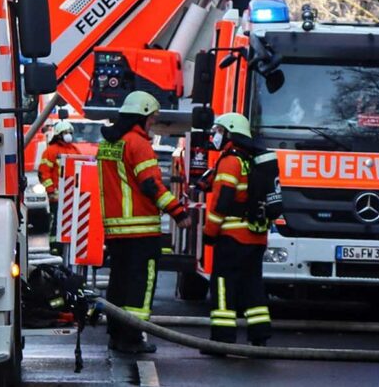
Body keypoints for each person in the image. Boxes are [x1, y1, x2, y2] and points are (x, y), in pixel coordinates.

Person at [97, 91, 191, 354]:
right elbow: (151, 185)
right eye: (151, 118)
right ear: (142, 116)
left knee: (118, 284)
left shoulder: (109, 144)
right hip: (141, 230)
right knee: (140, 286)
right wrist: (178, 212)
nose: (152, 123)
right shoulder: (137, 143)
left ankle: (116, 334)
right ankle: (132, 337)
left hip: (116, 231)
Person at [203, 112, 272, 347]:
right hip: (256, 237)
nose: (215, 135)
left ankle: (222, 340)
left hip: (232, 238)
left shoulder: (231, 161)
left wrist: (209, 233)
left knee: (223, 285)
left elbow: (221, 203)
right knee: (253, 285)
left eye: (220, 130)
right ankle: (259, 335)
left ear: (231, 132)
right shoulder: (251, 159)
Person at [38, 120, 81, 250]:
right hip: (57, 196)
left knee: (73, 222)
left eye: (70, 132)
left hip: (73, 195)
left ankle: (71, 246)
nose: (68, 135)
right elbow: (43, 172)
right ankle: (55, 246)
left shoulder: (74, 150)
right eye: (66, 132)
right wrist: (51, 190)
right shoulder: (51, 151)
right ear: (59, 134)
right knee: (57, 221)